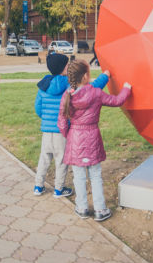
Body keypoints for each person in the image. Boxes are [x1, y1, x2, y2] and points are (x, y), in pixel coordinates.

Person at [57, 59, 131, 221]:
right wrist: (126, 89)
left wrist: (69, 135)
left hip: (75, 138)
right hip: (92, 137)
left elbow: (61, 121)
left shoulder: (67, 95)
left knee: (78, 176)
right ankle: (100, 210)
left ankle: (82, 208)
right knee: (95, 175)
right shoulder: (96, 93)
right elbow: (117, 101)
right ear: (85, 76)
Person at [34, 53, 109, 197]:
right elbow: (92, 88)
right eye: (67, 65)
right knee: (61, 160)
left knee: (44, 158)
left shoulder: (43, 85)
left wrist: (47, 120)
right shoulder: (70, 84)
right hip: (61, 132)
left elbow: (38, 108)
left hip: (46, 131)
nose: (69, 66)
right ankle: (59, 189)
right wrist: (105, 76)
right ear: (63, 69)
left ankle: (38, 186)